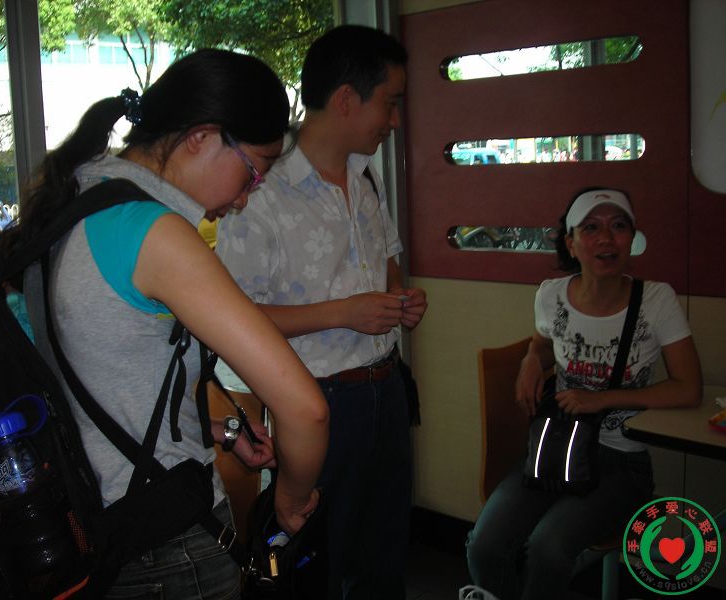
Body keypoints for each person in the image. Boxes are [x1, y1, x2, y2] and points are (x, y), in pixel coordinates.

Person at [0, 49, 329, 599]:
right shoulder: (154, 231)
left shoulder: (78, 199)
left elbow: (102, 372)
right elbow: (305, 409)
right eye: (254, 172)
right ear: (201, 137)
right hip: (167, 547)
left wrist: (219, 431)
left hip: (102, 527)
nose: (245, 199)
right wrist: (292, 501)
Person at [216, 25, 428, 600]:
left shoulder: (366, 176)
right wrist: (344, 312)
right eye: (390, 102)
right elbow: (234, 318)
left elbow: (387, 260)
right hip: (315, 402)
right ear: (346, 99)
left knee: (384, 557)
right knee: (316, 566)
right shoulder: (259, 189)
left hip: (386, 389)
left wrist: (400, 299)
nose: (394, 120)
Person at [465, 188, 702, 600]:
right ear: (571, 243)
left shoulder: (655, 300)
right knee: (484, 545)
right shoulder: (551, 294)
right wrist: (531, 359)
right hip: (558, 449)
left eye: (618, 226)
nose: (606, 238)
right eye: (590, 227)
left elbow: (689, 389)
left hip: (621, 463)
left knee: (547, 549)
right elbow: (543, 342)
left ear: (632, 239)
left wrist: (603, 399)